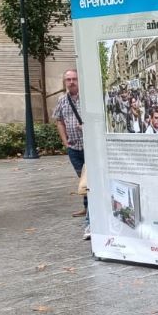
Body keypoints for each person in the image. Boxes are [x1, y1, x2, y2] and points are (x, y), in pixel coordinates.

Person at [52, 68, 90, 239]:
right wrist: (64, 140)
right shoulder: (62, 101)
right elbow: (59, 121)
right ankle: (87, 206)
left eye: (74, 78)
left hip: (89, 147)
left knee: (89, 181)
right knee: (82, 180)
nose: (72, 82)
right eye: (68, 79)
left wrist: (86, 127)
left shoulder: (88, 99)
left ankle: (90, 214)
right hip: (74, 147)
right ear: (65, 82)